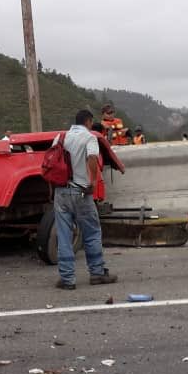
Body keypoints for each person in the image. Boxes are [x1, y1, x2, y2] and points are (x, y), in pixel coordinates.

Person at [54, 110, 118, 290]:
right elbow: (92, 157)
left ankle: (67, 279)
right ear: (89, 122)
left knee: (64, 236)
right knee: (91, 232)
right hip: (81, 191)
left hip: (61, 192)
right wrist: (93, 181)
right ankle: (96, 274)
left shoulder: (61, 137)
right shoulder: (89, 138)